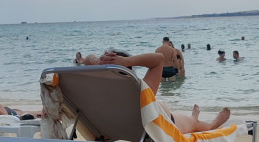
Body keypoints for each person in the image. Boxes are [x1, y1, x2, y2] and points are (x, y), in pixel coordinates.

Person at [91, 51, 231, 134]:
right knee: (194, 124)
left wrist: (100, 63)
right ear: (128, 71)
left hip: (161, 115)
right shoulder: (139, 93)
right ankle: (212, 123)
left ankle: (194, 116)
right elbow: (159, 58)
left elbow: (88, 58)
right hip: (167, 124)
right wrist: (126, 61)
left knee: (186, 119)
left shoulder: (100, 92)